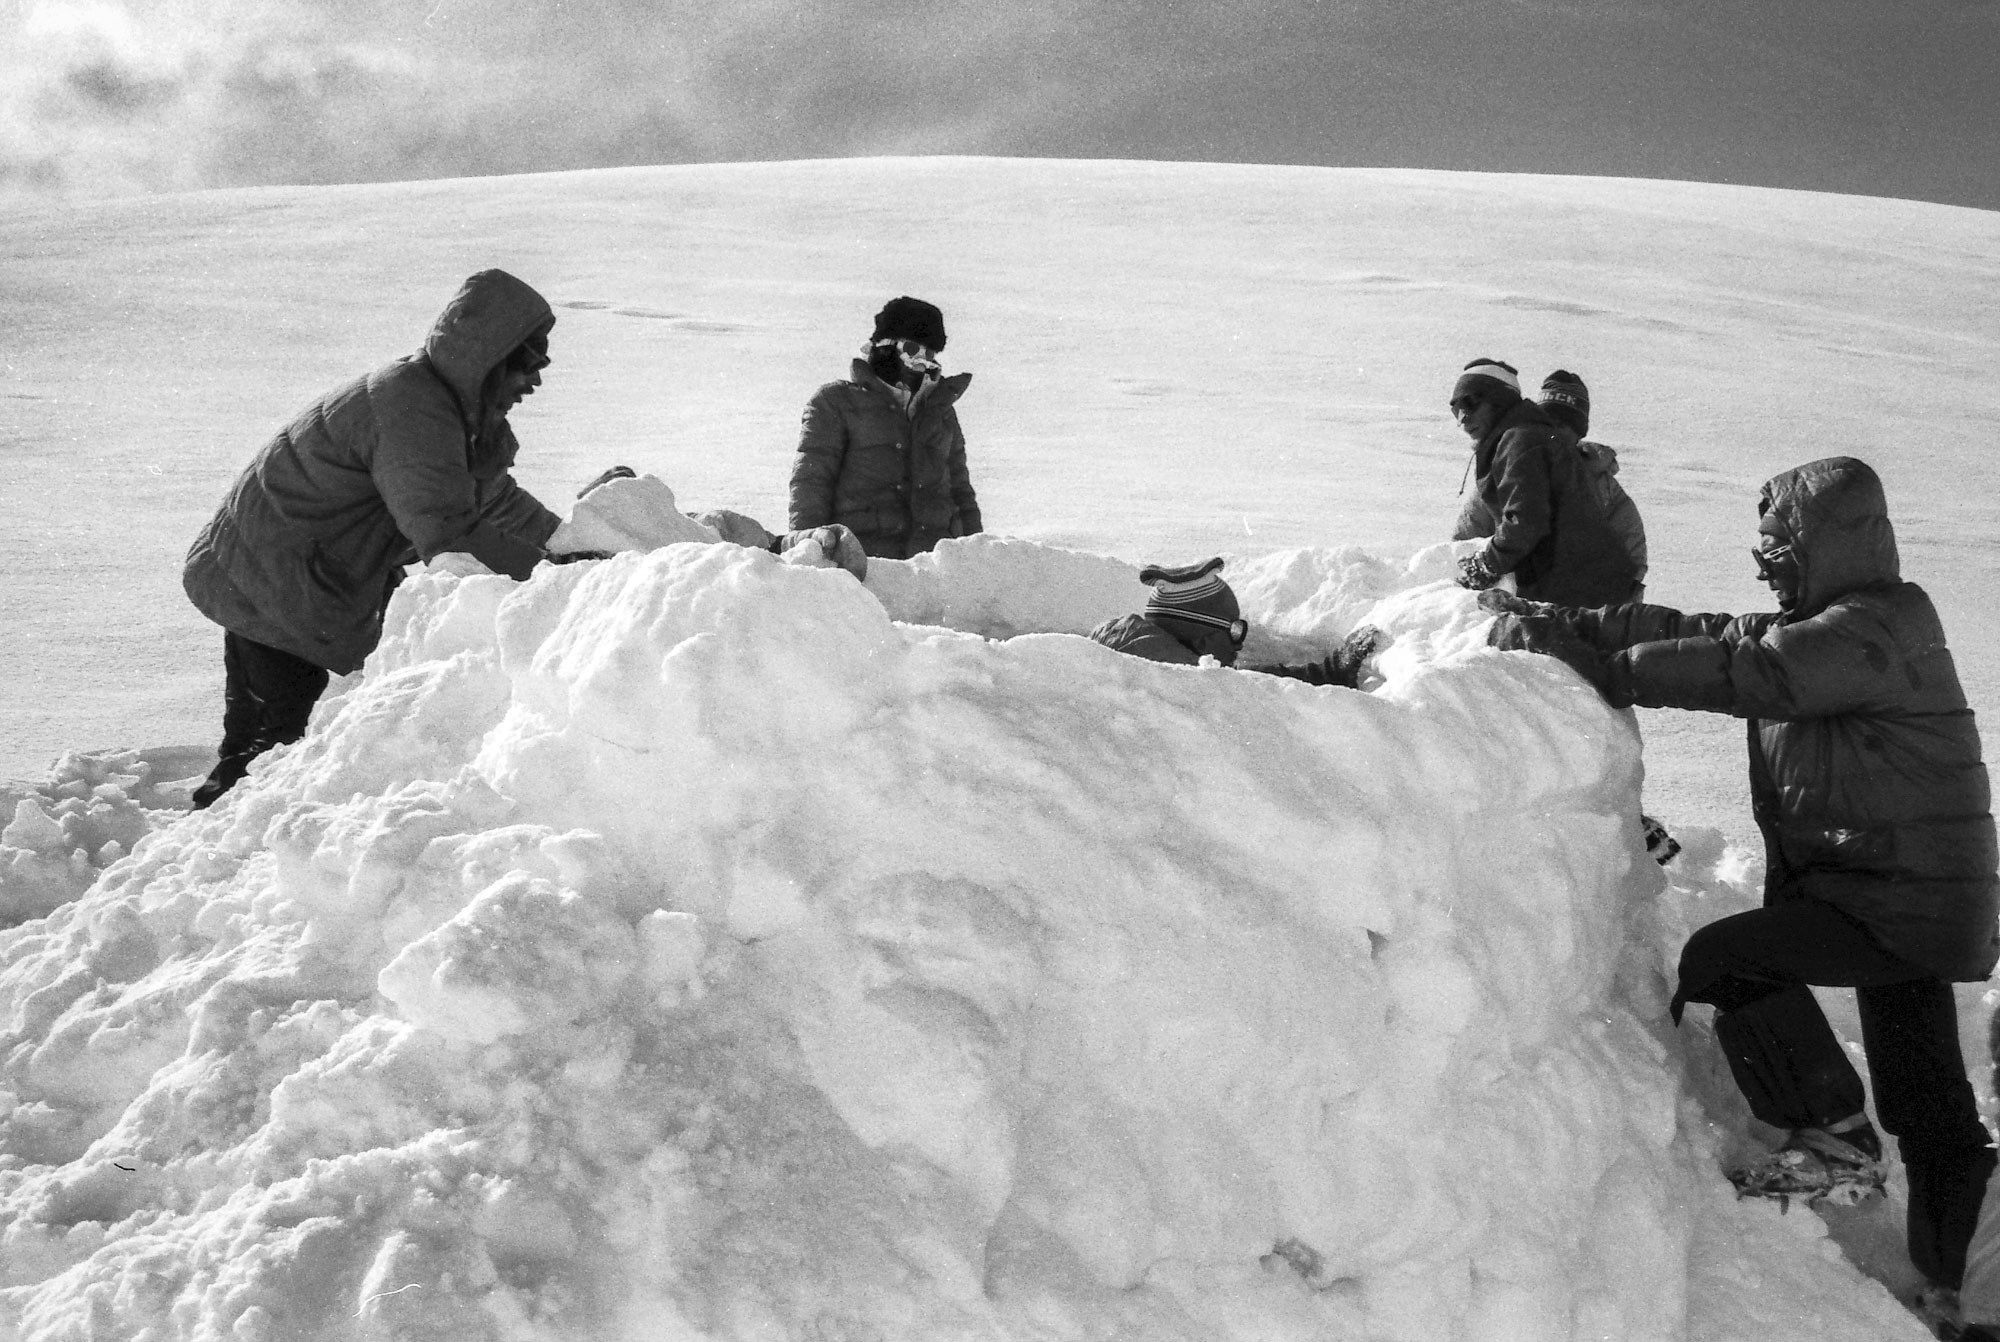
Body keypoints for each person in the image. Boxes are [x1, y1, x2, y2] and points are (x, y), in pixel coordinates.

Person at [1484, 456, 1999, 1304]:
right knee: (1934, 1114)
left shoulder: (1869, 629)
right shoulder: (1858, 619)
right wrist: (1577, 621)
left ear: (1822, 544)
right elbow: (1715, 632)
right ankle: (1968, 1290)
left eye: (1777, 546)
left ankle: (1834, 1137)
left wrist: (1602, 668)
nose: (1762, 564)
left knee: (1727, 959)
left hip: (1898, 899)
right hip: (1908, 894)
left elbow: (1752, 672)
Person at [182, 269, 605, 808]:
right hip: (282, 581)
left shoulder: (443, 405)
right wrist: (558, 578)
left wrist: (560, 544)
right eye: (530, 363)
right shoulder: (414, 412)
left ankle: (227, 833)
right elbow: (450, 534)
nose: (536, 380)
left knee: (264, 740)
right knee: (270, 748)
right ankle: (230, 856)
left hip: (289, 574)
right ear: (491, 355)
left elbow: (489, 499)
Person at [788, 296, 982, 560]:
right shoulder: (835, 403)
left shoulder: (940, 412)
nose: (922, 364)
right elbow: (811, 484)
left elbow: (961, 492)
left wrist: (978, 556)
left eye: (930, 355)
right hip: (862, 567)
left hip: (931, 569)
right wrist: (808, 555)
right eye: (913, 351)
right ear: (884, 347)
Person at [1449, 359, 1644, 607]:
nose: (1554, 435)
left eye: (1563, 426)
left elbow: (1632, 568)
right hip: (1540, 596)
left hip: (1578, 605)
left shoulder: (1609, 496)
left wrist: (1487, 564)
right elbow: (1466, 540)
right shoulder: (1514, 459)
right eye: (1548, 423)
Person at [1089, 557, 1383, 687]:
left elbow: (1250, 676)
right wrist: (1332, 671)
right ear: (1203, 639)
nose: (1239, 640)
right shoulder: (1188, 685)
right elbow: (1252, 685)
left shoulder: (1110, 653)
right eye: (1233, 629)